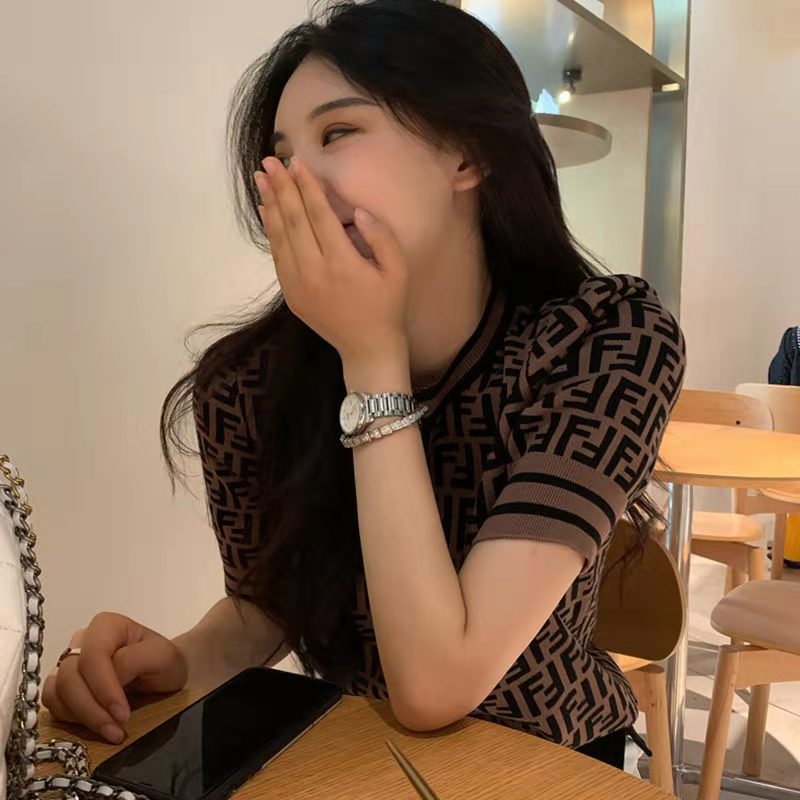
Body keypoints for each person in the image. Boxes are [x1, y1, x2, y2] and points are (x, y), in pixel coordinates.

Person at [42, 0, 686, 771]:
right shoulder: (247, 382)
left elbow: (438, 684)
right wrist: (181, 662)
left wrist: (372, 358)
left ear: (466, 154)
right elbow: (267, 606)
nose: (293, 179)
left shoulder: (604, 340)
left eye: (338, 132)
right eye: (279, 154)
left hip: (555, 764)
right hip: (354, 761)